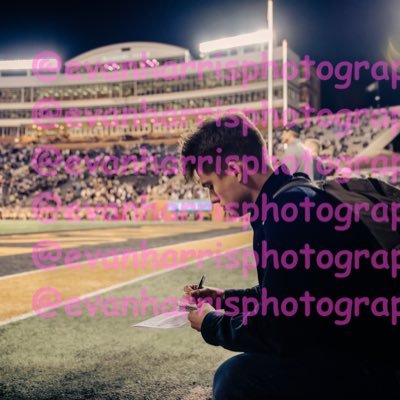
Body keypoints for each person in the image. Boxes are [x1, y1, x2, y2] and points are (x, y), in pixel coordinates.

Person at [178, 113, 400, 400]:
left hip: (375, 368)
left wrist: (211, 323)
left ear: (234, 169)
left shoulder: (288, 212)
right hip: (365, 351)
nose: (213, 198)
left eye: (210, 185)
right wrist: (223, 299)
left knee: (236, 377)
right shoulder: (292, 196)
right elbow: (288, 295)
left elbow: (280, 329)